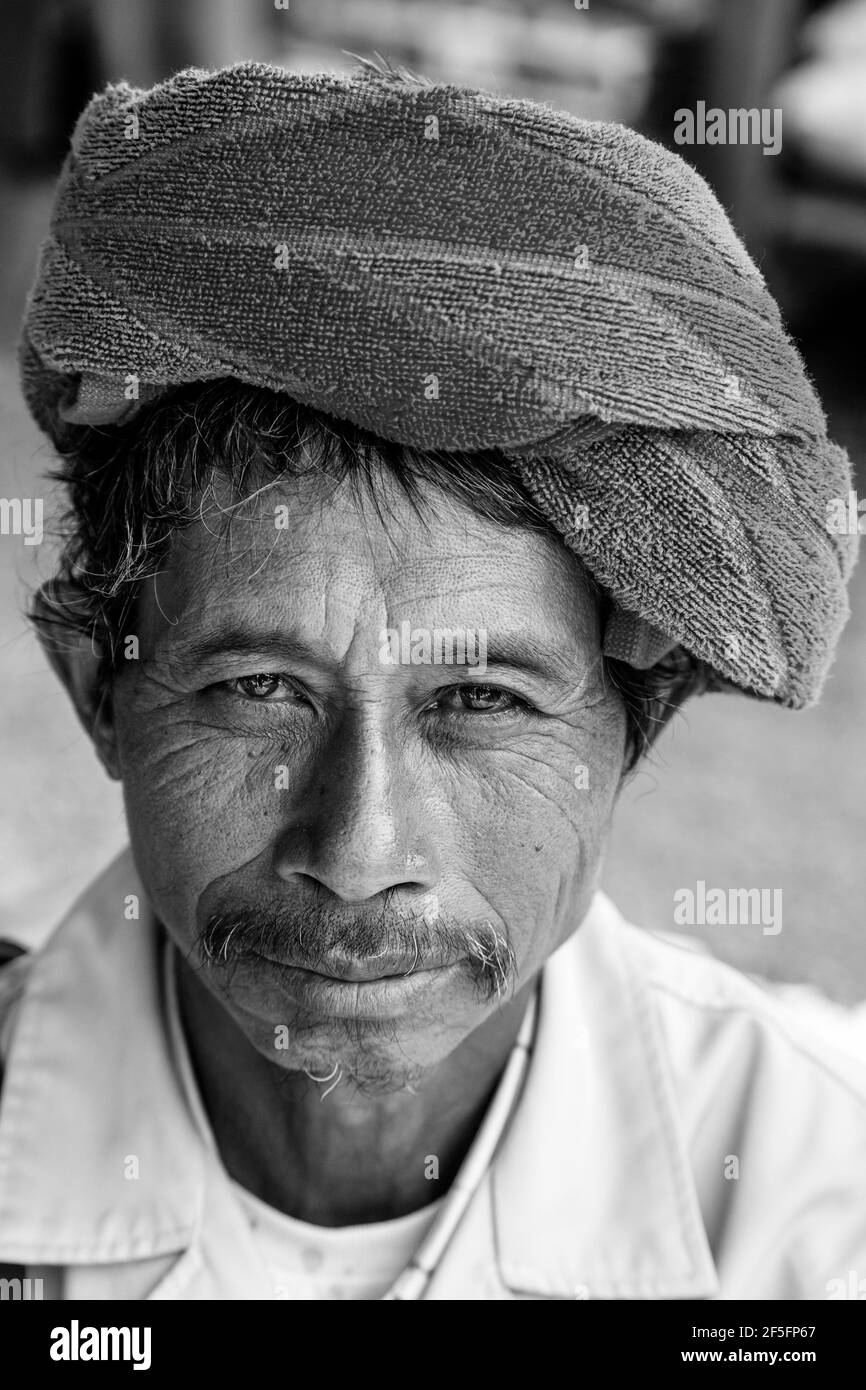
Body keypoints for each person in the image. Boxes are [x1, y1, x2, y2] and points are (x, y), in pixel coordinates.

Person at [0, 58, 863, 1301]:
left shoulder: (816, 1202)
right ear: (96, 688)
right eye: (256, 689)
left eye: (480, 703)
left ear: (638, 718)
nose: (358, 852)